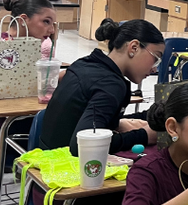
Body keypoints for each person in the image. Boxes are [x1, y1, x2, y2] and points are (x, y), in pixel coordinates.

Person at [40, 18, 164, 154]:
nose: (154, 69)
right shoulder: (111, 85)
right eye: (156, 58)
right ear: (133, 47)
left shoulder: (85, 63)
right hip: (62, 168)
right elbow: (83, 146)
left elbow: (100, 118)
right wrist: (144, 136)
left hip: (46, 156)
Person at [0, 0, 55, 149]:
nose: (51, 30)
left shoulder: (38, 51)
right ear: (23, 20)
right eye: (46, 22)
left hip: (25, 119)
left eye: (52, 24)